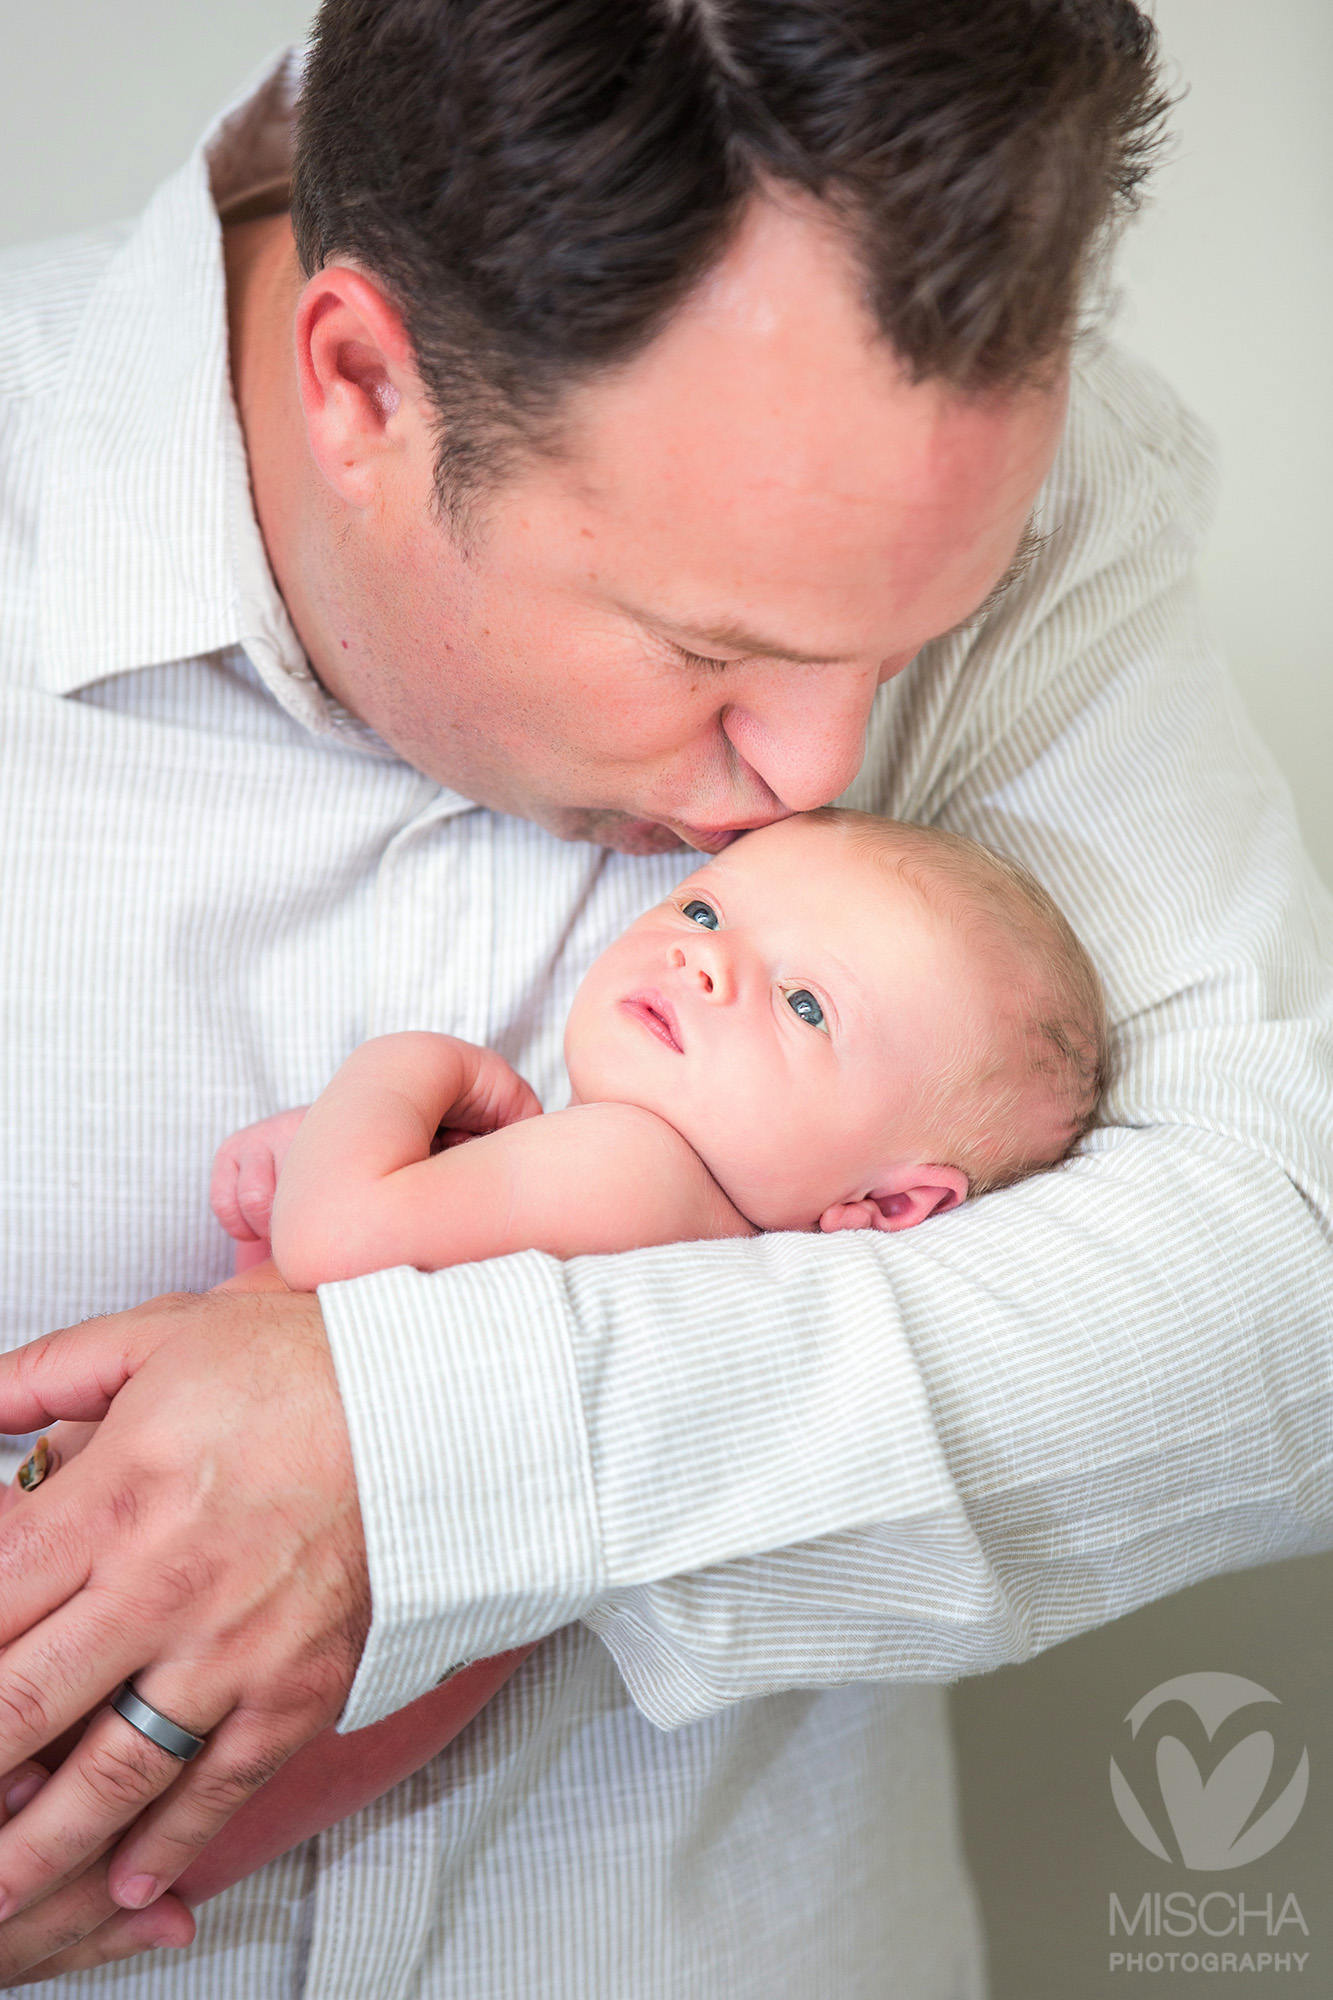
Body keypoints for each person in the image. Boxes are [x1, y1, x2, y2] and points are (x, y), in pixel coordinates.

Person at [0, 2, 1328, 1992]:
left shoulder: (986, 465)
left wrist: (413, 1457)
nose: (814, 777)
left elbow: (1286, 1277)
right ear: (358, 381)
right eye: (709, 646)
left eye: (919, 643)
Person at [8, 808, 1105, 1904]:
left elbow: (334, 1239)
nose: (703, 960)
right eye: (706, 906)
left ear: (892, 1200)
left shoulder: (631, 1166)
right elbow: (332, 1292)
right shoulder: (695, 1258)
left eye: (803, 1001)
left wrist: (400, 1068)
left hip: (145, 1622)